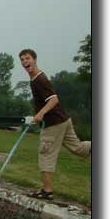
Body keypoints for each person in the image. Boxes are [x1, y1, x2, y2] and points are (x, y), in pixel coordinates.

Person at [19, 48, 91, 200]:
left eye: (27, 58)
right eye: (22, 60)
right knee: (77, 148)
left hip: (53, 124)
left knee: (46, 154)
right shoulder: (35, 79)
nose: (25, 62)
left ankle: (47, 190)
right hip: (64, 120)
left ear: (34, 59)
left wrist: (40, 114)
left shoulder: (40, 79)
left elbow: (54, 100)